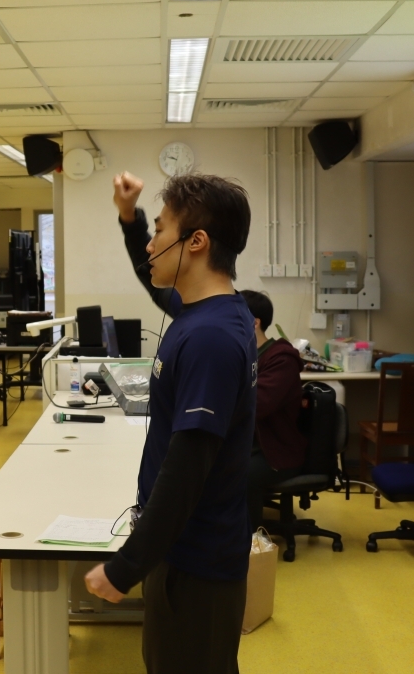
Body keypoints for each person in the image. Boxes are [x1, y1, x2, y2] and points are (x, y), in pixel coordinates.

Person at [84, 171, 256, 674]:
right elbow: (151, 275)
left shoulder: (210, 338)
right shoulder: (207, 311)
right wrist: (129, 217)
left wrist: (125, 567)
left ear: (196, 242)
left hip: (196, 562)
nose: (150, 245)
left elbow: (187, 469)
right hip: (183, 549)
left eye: (159, 231)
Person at [239, 290, 306, 533]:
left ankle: (250, 544)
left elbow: (257, 405)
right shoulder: (244, 355)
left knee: (241, 474)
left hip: (276, 451)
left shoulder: (281, 359)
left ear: (254, 323)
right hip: (251, 446)